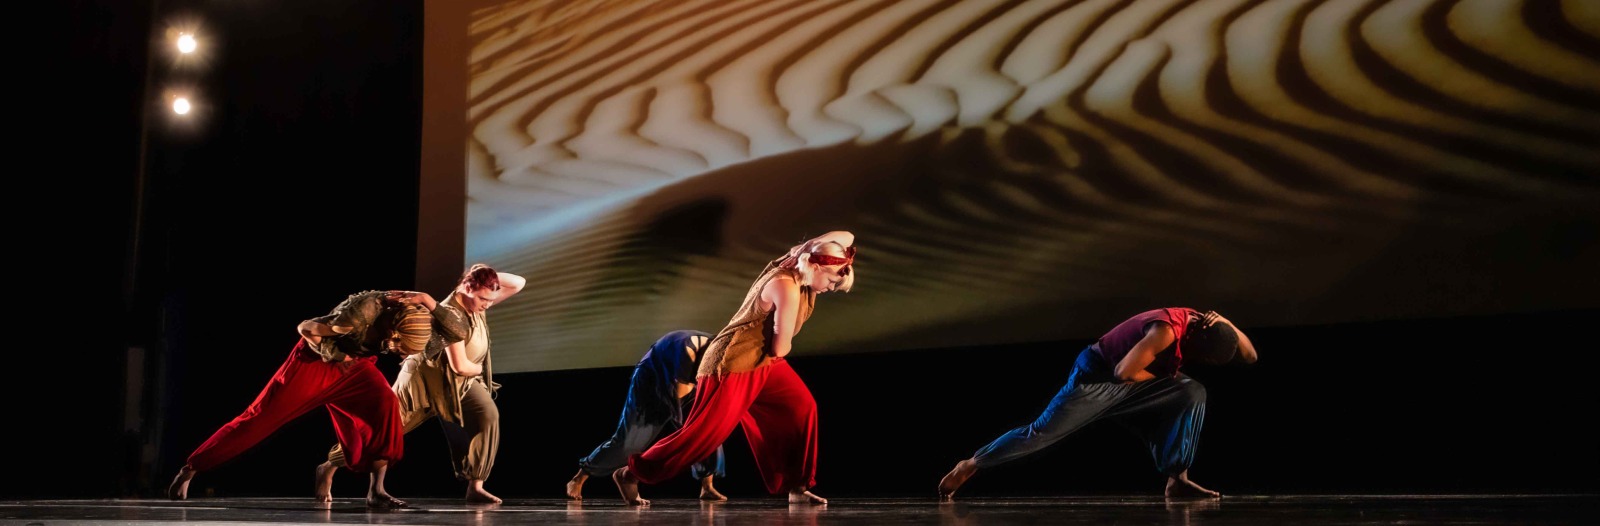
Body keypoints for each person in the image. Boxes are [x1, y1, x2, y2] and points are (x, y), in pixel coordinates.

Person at [612, 231, 856, 506]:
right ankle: (631, 474)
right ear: (816, 266)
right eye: (832, 280)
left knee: (801, 407)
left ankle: (797, 486)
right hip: (733, 362)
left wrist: (807, 246)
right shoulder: (785, 285)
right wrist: (807, 251)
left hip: (762, 359)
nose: (832, 288)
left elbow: (847, 236)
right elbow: (780, 348)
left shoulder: (792, 262)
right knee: (703, 435)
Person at [936, 308, 1257, 501]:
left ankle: (1178, 480)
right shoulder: (1166, 331)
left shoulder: (1207, 324)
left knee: (1192, 392)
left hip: (1134, 378)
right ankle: (973, 463)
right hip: (1096, 379)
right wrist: (1163, 376)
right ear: (1194, 339)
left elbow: (1250, 355)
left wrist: (1225, 320)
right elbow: (1123, 372)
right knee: (1040, 433)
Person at [167, 289, 430, 509]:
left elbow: (449, 328)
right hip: (313, 364)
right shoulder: (360, 315)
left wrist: (428, 299)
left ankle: (376, 491)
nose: (399, 354)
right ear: (393, 330)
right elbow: (306, 328)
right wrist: (339, 356)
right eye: (400, 347)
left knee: (385, 402)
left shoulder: (411, 313)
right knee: (259, 419)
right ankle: (192, 468)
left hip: (354, 367)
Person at [314, 264, 525, 504]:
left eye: (491, 299)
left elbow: (518, 283)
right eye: (483, 298)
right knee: (385, 431)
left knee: (488, 415)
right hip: (424, 382)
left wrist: (484, 275)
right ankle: (332, 467)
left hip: (460, 384)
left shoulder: (476, 303)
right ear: (467, 288)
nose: (488, 304)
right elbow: (461, 366)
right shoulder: (449, 314)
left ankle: (475, 486)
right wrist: (482, 369)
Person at [566, 330, 728, 501]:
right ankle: (579, 478)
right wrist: (683, 438)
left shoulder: (720, 348)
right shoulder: (686, 353)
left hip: (684, 383)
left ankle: (707, 487)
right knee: (630, 443)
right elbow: (678, 404)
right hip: (650, 382)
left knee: (707, 429)